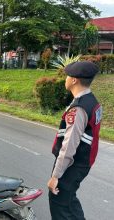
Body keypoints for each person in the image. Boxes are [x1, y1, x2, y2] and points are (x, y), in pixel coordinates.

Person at [47, 61, 102, 219]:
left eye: (67, 76)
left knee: (60, 203)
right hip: (83, 161)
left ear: (74, 80)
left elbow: (69, 145)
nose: (65, 79)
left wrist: (56, 176)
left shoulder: (79, 108)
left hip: (73, 164)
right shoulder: (91, 101)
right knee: (69, 200)